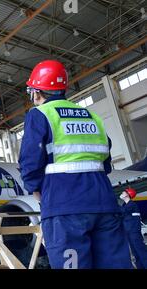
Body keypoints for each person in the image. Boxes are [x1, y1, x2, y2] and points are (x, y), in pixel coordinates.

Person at [19, 59, 131, 269]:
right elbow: (105, 162)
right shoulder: (92, 116)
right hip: (103, 202)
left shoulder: (40, 114)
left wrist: (38, 195)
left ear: (36, 92)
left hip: (64, 206)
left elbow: (30, 163)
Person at [120, 188, 147, 269]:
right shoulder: (124, 205)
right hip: (128, 232)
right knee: (135, 253)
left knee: (141, 252)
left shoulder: (132, 205)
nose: (121, 193)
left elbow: (121, 211)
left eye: (123, 192)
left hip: (134, 232)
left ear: (128, 194)